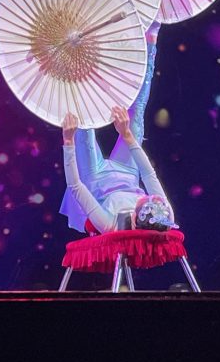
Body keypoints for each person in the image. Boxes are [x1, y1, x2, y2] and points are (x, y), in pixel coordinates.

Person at [60, 23, 175, 233]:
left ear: (137, 216)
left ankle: (71, 55)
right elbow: (149, 176)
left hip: (94, 179)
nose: (152, 198)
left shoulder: (111, 225)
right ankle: (150, 41)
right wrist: (128, 135)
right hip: (128, 173)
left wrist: (68, 141)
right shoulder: (163, 214)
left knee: (83, 124)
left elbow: (76, 186)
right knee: (137, 112)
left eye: (148, 202)